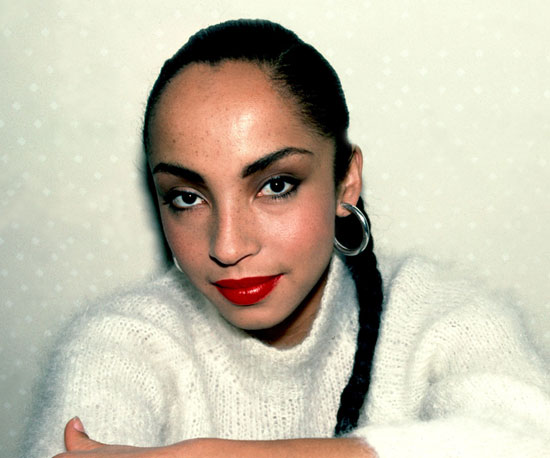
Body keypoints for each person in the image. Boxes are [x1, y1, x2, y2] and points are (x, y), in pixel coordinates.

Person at [23, 19, 549, 458]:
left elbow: (528, 440)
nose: (228, 246)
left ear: (346, 181)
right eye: (186, 197)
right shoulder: (121, 344)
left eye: (275, 186)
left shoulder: (441, 320)